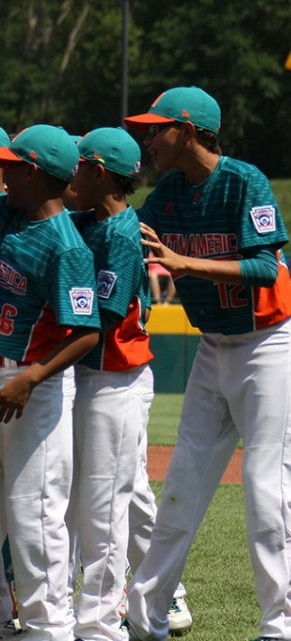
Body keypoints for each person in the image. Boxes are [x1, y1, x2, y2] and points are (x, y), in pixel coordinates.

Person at [123, 86, 291, 641]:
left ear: (188, 131)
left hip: (268, 344)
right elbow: (128, 240)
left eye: (157, 128)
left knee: (267, 489)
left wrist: (184, 262)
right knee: (181, 487)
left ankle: (279, 625)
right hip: (213, 345)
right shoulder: (167, 192)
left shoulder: (245, 180)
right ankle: (148, 617)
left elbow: (267, 269)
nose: (148, 137)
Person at [0, 125, 100, 641]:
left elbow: (87, 333)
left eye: (10, 163)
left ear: (33, 172)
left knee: (35, 518)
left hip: (31, 388)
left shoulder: (67, 245)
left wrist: (32, 377)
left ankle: (47, 627)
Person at [64, 127, 154, 641]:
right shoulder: (86, 218)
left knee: (103, 508)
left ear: (99, 174)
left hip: (114, 380)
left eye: (78, 166)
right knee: (85, 504)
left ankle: (101, 623)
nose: (72, 174)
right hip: (89, 377)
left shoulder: (121, 233)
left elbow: (104, 315)